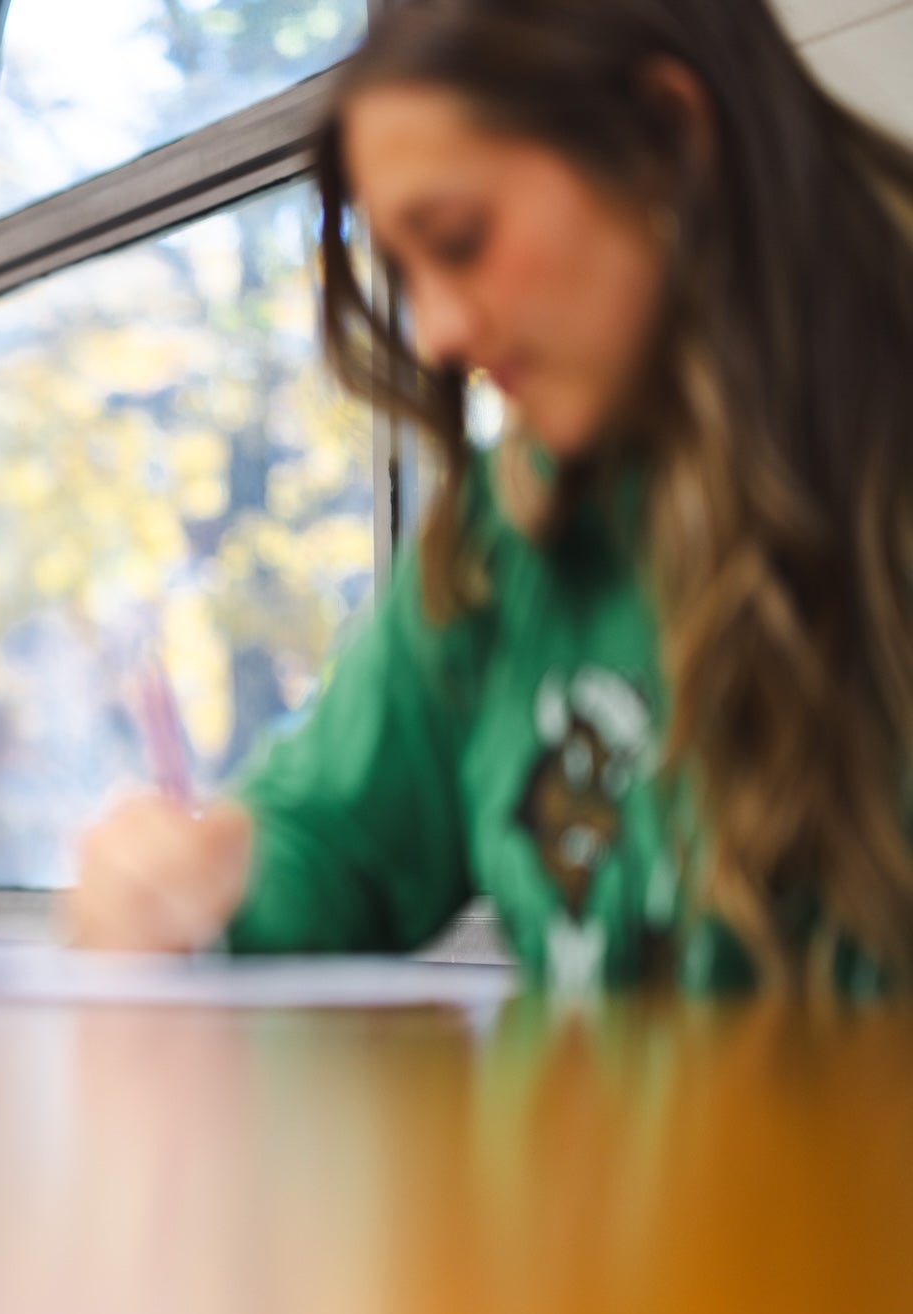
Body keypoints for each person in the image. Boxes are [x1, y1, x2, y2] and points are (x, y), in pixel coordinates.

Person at [69, 0, 913, 990]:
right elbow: (330, 834)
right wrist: (200, 880)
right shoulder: (508, 523)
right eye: (403, 269)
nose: (432, 336)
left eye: (461, 239)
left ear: (668, 140)